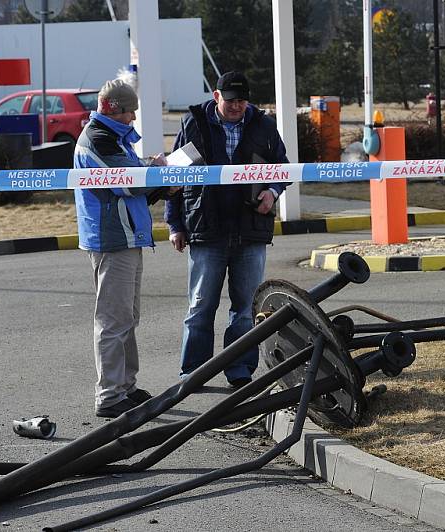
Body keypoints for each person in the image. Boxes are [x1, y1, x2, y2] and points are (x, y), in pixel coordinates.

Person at [165, 71, 289, 389]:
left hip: (250, 232)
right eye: (231, 100)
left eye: (242, 100)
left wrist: (272, 192)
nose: (237, 107)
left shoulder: (263, 125)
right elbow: (174, 179)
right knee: (200, 306)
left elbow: (283, 168)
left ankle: (240, 371)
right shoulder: (193, 123)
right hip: (207, 230)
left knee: (246, 308)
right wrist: (175, 225)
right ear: (216, 96)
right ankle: (193, 372)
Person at [74, 78, 169, 418]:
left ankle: (125, 386)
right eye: (130, 112)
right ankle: (110, 395)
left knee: (127, 317)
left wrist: (159, 182)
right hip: (113, 241)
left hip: (125, 238)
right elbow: (129, 184)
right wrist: (156, 172)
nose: (133, 118)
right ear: (112, 109)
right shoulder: (99, 140)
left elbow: (131, 183)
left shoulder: (111, 137)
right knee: (113, 320)